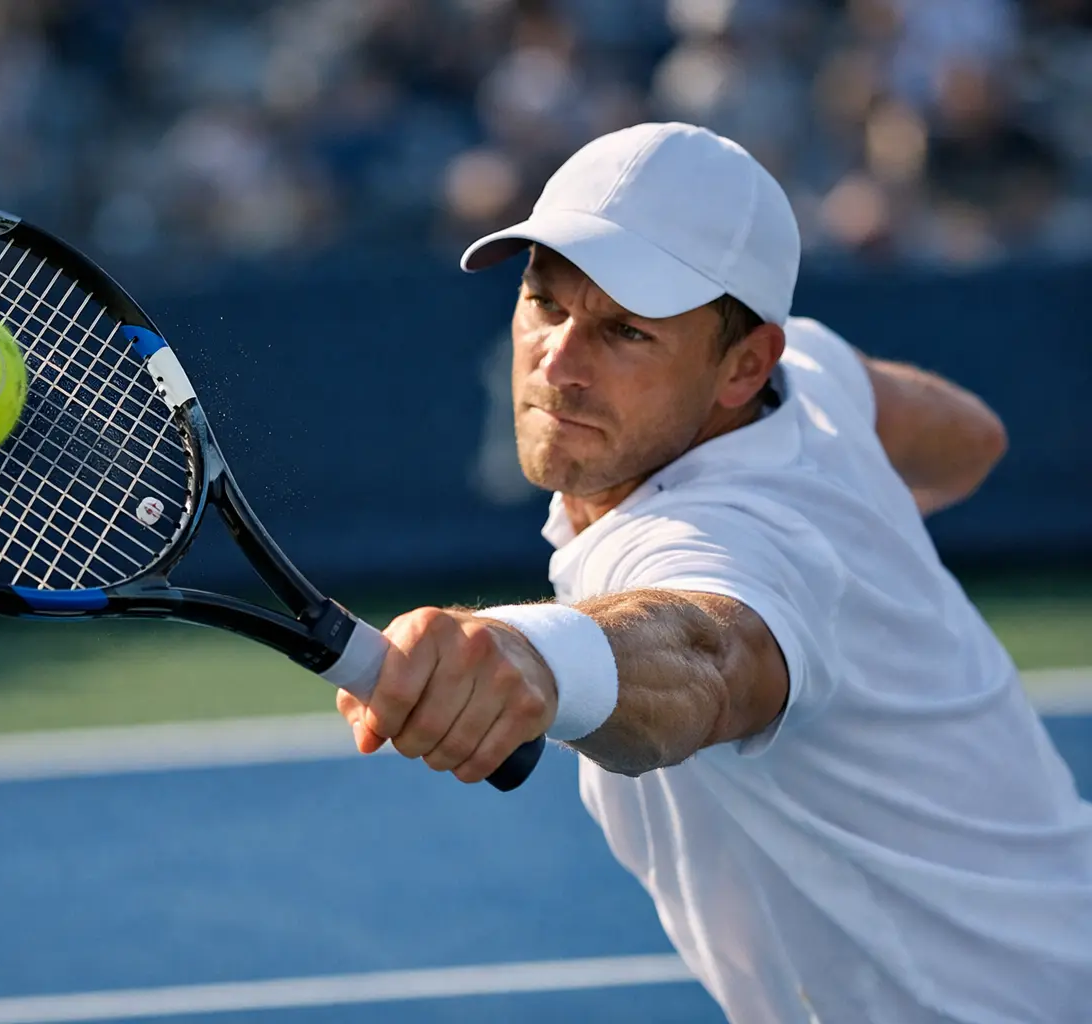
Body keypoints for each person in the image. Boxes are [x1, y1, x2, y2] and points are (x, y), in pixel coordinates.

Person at [336, 122, 1092, 1022]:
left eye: (625, 332)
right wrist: (857, 550)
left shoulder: (727, 539)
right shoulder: (807, 376)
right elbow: (974, 439)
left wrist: (536, 654)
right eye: (544, 302)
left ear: (743, 366)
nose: (560, 364)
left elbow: (708, 651)